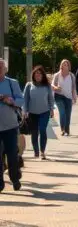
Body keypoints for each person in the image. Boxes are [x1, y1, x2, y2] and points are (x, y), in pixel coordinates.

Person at [0, 58, 24, 192]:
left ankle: (15, 179)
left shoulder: (12, 83)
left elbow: (21, 100)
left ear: (5, 69)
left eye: (1, 67)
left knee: (12, 155)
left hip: (10, 126)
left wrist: (11, 101)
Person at [24, 66, 55, 160]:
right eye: (36, 73)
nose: (38, 75)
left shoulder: (47, 85)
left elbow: (51, 98)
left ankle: (42, 151)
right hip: (32, 113)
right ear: (33, 75)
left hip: (44, 112)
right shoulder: (29, 85)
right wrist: (25, 110)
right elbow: (25, 99)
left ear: (42, 75)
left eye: (40, 73)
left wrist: (51, 109)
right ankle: (36, 152)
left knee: (42, 129)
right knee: (34, 133)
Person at [51, 59, 76, 137]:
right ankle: (62, 129)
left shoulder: (71, 76)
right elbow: (52, 85)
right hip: (59, 96)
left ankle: (67, 130)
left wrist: (74, 97)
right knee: (62, 113)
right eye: (63, 64)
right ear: (61, 66)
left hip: (68, 97)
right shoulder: (57, 75)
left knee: (68, 114)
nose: (64, 66)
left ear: (69, 66)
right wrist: (56, 87)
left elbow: (73, 87)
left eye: (66, 65)